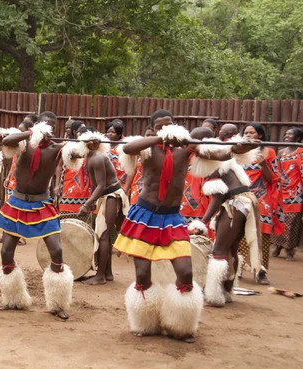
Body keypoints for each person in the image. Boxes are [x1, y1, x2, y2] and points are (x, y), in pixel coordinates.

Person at [113, 109, 257, 343]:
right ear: (152, 130)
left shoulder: (188, 147)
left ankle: (180, 326)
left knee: (186, 274)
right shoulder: (146, 148)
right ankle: (146, 324)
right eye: (160, 126)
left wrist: (238, 148)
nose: (166, 128)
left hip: (171, 218)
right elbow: (128, 149)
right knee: (142, 275)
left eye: (169, 124)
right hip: (144, 216)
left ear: (176, 124)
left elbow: (219, 154)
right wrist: (161, 138)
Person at [0, 112, 74, 320]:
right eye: (43, 124)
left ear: (54, 129)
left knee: (56, 251)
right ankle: (13, 299)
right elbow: (6, 141)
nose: (47, 128)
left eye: (51, 126)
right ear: (37, 125)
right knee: (6, 251)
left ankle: (58, 304)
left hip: (42, 204)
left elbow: (76, 154)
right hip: (17, 202)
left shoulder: (58, 149)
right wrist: (29, 132)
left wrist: (89, 145)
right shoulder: (22, 144)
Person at [187, 127, 262, 307]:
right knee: (231, 250)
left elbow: (218, 195)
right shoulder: (220, 154)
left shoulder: (212, 158)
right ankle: (226, 291)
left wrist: (203, 221)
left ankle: (214, 295)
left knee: (219, 251)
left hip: (235, 204)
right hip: (245, 202)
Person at [63, 131, 129, 285]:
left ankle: (100, 276)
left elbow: (101, 185)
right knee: (104, 233)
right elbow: (94, 184)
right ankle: (108, 273)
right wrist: (92, 200)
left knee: (104, 235)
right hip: (105, 196)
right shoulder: (90, 156)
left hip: (112, 196)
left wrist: (87, 204)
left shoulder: (98, 158)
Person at [237, 122, 285, 285]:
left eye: (252, 132)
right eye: (246, 132)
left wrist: (263, 164)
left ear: (260, 135)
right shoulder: (238, 151)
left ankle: (261, 271)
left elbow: (273, 178)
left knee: (261, 233)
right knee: (239, 231)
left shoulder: (268, 152)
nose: (248, 134)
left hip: (262, 197)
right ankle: (239, 268)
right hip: (240, 195)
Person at [0, 120, 33, 244]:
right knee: (8, 208)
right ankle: (6, 234)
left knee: (19, 209)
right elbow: (14, 164)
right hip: (12, 181)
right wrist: (8, 177)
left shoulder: (28, 147)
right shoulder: (18, 144)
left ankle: (20, 236)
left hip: (20, 183)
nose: (19, 133)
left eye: (22, 130)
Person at [272, 127, 303, 260]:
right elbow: (277, 170)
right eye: (286, 134)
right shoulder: (281, 152)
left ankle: (289, 249)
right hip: (281, 191)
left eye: (290, 134)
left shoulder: (301, 152)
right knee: (279, 219)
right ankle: (278, 245)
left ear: (298, 139)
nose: (286, 136)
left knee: (292, 222)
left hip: (296, 192)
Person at [54, 120, 92, 221]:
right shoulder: (68, 146)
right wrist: (57, 185)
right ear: (75, 132)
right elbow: (59, 166)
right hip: (67, 185)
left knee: (83, 221)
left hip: (84, 189)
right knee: (65, 219)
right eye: (81, 130)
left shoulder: (90, 148)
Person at [106, 119, 129, 193]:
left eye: (112, 132)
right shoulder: (104, 147)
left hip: (122, 181)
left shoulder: (125, 147)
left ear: (119, 134)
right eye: (108, 132)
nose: (109, 134)